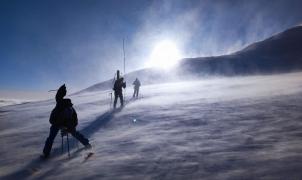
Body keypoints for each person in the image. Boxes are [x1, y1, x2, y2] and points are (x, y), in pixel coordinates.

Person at [41, 84, 91, 159]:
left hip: (63, 124)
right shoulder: (64, 106)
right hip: (58, 124)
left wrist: (67, 129)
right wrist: (63, 126)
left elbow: (73, 121)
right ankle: (87, 144)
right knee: (74, 133)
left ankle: (46, 154)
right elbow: (58, 98)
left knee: (51, 138)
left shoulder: (62, 106)